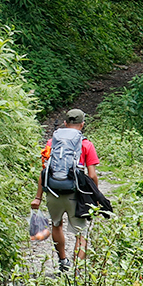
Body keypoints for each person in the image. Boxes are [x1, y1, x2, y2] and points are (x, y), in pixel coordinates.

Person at [30, 108, 100, 272]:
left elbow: (44, 171)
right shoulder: (86, 144)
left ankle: (63, 261)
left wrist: (38, 197)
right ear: (82, 125)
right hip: (76, 195)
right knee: (80, 232)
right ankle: (77, 270)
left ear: (65, 123)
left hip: (53, 192)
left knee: (57, 225)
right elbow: (92, 175)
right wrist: (95, 196)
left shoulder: (51, 143)